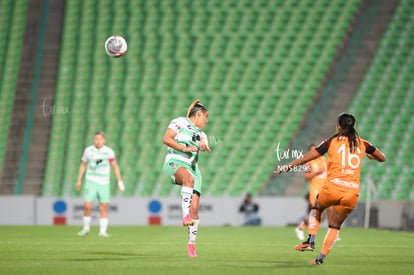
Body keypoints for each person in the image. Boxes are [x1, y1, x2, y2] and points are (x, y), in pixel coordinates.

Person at [278, 113, 386, 265]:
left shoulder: (331, 141)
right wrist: (371, 156)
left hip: (332, 187)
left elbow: (306, 158)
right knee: (335, 226)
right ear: (353, 127)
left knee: (317, 207)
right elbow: (382, 158)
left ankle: (310, 240)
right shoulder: (363, 144)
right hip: (352, 193)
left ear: (339, 126)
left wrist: (287, 166)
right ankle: (320, 259)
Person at [162, 100, 211, 257]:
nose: (207, 120)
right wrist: (184, 147)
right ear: (198, 114)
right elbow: (166, 139)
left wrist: (204, 146)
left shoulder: (202, 133)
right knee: (188, 179)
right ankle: (185, 216)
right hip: (174, 161)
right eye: (206, 116)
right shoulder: (179, 121)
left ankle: (191, 244)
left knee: (195, 208)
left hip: (193, 168)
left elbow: (203, 141)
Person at [76, 131, 124, 237]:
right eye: (96, 139)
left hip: (104, 182)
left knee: (104, 206)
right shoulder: (88, 150)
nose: (98, 141)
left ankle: (102, 231)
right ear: (94, 140)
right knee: (87, 205)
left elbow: (115, 166)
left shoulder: (108, 152)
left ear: (104, 140)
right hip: (91, 180)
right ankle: (86, 229)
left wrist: (120, 181)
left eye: (100, 139)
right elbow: (83, 165)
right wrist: (79, 180)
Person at [295, 144, 327, 241]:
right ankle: (302, 228)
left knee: (324, 214)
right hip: (315, 189)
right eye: (312, 151)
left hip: (325, 188)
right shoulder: (308, 163)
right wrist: (317, 173)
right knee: (317, 212)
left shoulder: (324, 160)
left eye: (316, 150)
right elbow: (306, 177)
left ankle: (301, 227)